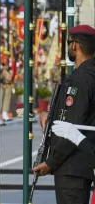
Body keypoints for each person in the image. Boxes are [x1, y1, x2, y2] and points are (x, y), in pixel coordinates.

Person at [33, 24, 95, 204]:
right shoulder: (87, 75)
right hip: (80, 165)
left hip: (71, 167)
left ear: (75, 46)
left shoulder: (81, 79)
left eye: (69, 43)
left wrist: (51, 162)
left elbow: (71, 127)